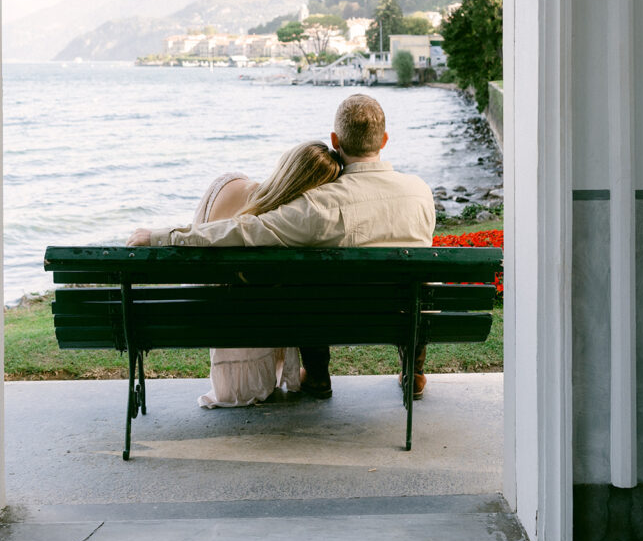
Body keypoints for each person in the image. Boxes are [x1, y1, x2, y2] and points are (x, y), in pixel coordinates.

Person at [128, 94, 435, 398]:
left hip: (336, 316)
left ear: (335, 140)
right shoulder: (420, 192)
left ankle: (317, 375)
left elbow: (242, 231)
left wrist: (162, 236)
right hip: (402, 313)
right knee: (413, 285)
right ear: (384, 140)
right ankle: (414, 371)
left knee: (309, 288)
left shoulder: (319, 204)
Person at [193, 141, 342, 408]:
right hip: (249, 321)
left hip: (201, 310)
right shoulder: (282, 225)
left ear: (287, 166)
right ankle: (318, 373)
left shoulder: (229, 182)